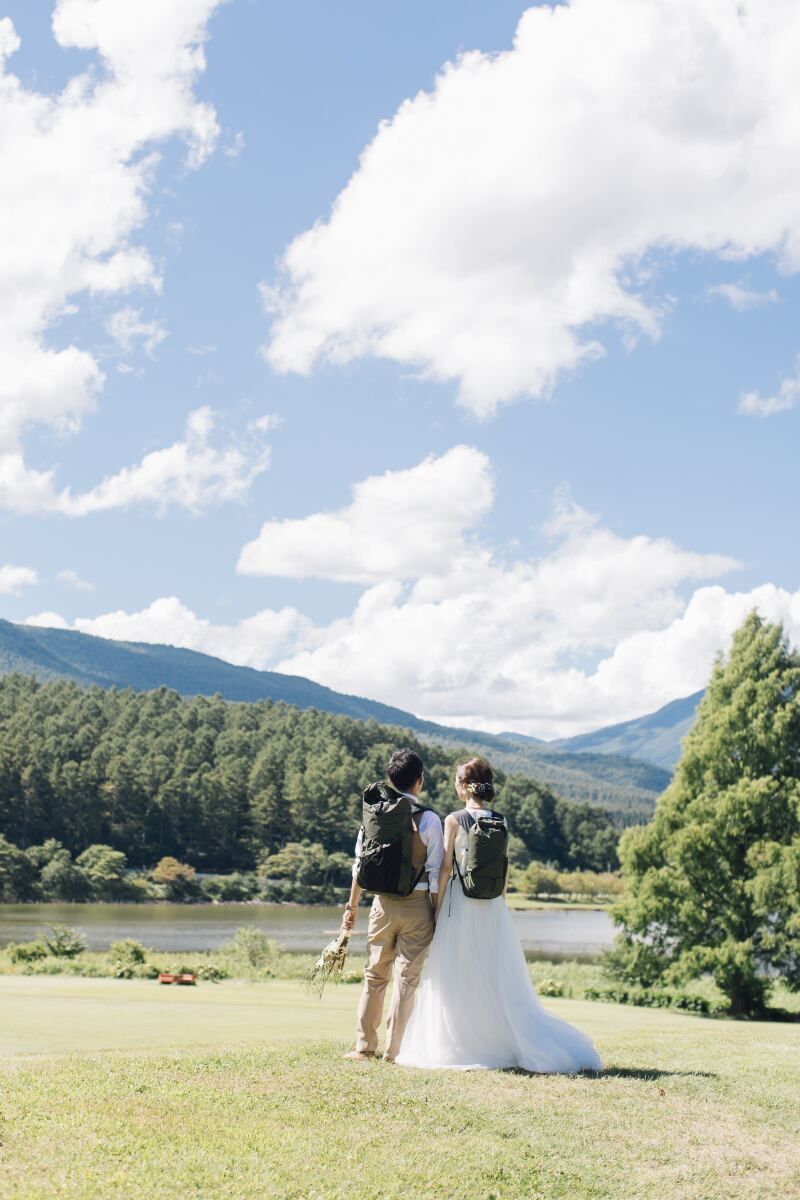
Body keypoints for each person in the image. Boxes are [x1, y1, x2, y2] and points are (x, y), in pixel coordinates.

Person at [396, 757, 602, 1073]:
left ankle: (463, 1041)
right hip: (491, 905)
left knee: (457, 973)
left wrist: (436, 908)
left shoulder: (454, 819)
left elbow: (447, 868)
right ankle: (500, 1039)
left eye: (456, 780)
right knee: (493, 974)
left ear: (464, 786)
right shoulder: (500, 821)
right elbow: (504, 869)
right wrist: (499, 904)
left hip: (459, 905)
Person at [342, 748, 444, 1063]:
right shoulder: (428, 819)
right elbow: (436, 874)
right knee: (407, 979)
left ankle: (364, 1047)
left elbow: (360, 865)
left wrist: (351, 907)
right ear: (420, 781)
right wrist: (437, 916)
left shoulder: (374, 815)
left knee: (375, 975)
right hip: (417, 906)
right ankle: (395, 1051)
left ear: (391, 779)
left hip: (381, 905)